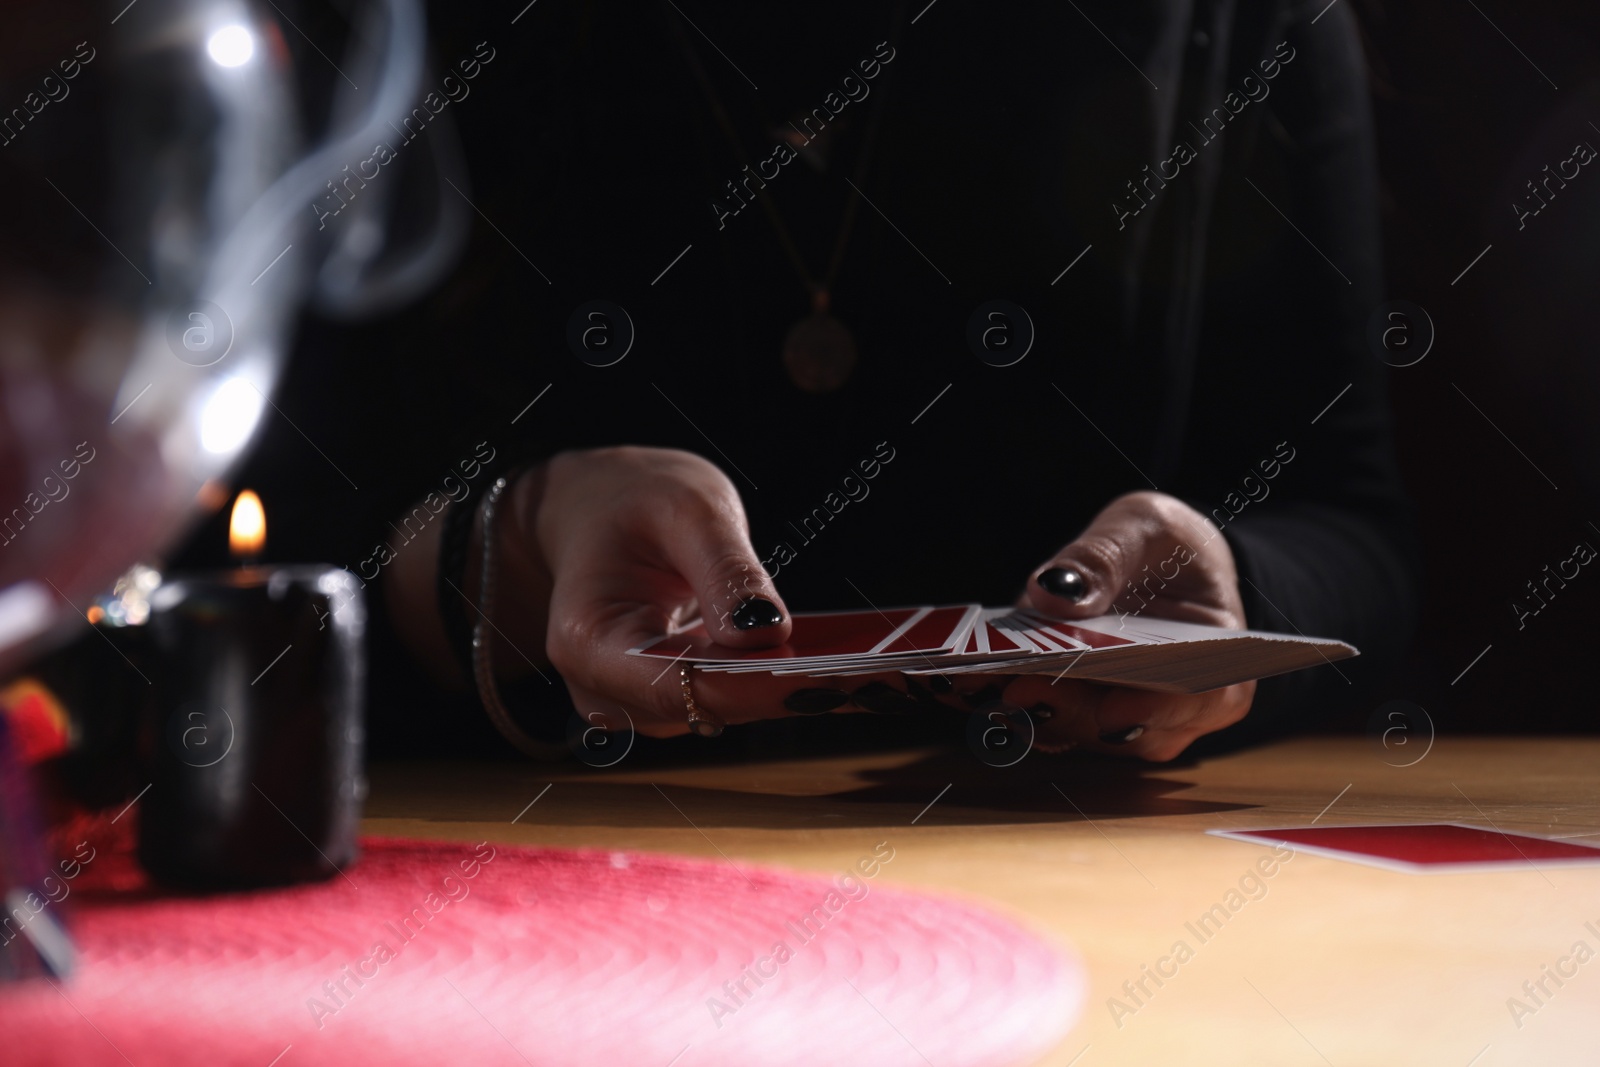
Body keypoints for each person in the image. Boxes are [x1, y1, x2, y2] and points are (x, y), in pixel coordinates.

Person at [231, 0, 1418, 761]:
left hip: (1088, 888)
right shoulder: (396, 34)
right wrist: (500, 550)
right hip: (486, 892)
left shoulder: (1227, 21)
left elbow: (1353, 532)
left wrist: (1225, 596)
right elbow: (206, 577)